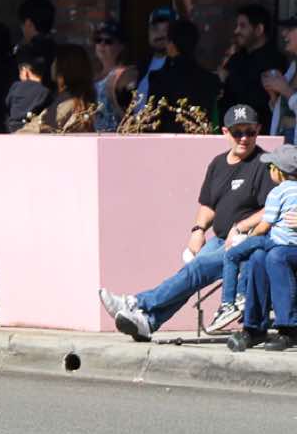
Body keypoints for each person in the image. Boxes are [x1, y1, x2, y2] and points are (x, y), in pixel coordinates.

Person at [99, 104, 273, 340]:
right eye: (237, 132)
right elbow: (208, 204)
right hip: (220, 239)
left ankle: (136, 302)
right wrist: (198, 230)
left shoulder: (263, 164)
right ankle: (148, 322)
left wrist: (241, 227)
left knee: (197, 269)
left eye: (250, 132)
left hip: (246, 242)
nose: (244, 138)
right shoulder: (218, 163)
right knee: (191, 272)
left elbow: (270, 209)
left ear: (258, 130)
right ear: (225, 132)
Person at [229, 144, 297, 351]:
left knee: (276, 256)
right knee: (259, 256)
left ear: (279, 170)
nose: (268, 172)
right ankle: (254, 328)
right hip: (282, 245)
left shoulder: (280, 192)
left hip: (287, 249)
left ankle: (289, 328)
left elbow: (264, 225)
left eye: (270, 167)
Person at [146, 19, 222, 124]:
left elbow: (153, 118)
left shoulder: (159, 79)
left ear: (172, 44)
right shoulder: (211, 80)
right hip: (201, 133)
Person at [15, 42, 99, 133]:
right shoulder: (80, 98)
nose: (52, 65)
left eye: (55, 60)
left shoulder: (68, 102)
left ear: (64, 66)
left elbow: (40, 127)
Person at [220, 3, 275, 115]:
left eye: (242, 26)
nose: (236, 31)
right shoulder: (236, 58)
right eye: (237, 26)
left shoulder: (274, 61)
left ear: (259, 29)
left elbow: (259, 101)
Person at [90, 20, 132, 132]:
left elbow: (129, 115)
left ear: (121, 46)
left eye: (108, 41)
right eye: (98, 40)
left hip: (113, 135)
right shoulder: (93, 76)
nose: (102, 44)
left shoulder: (125, 74)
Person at [5, 43, 54, 130]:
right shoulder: (45, 91)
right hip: (33, 129)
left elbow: (8, 103)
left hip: (13, 128)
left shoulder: (16, 87)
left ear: (25, 71)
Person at [262, 16, 297, 138]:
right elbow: (284, 113)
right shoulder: (293, 67)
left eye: (291, 29)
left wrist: (285, 90)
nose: (283, 33)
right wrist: (273, 94)